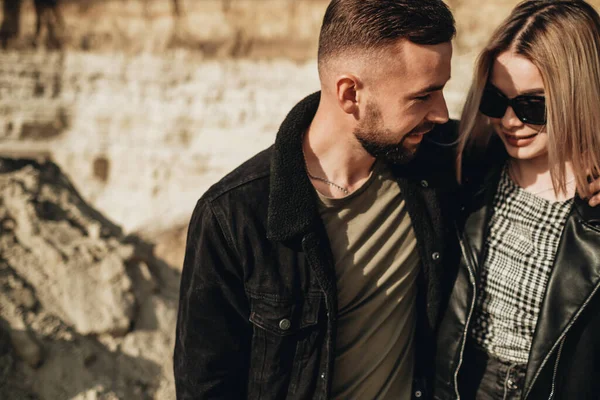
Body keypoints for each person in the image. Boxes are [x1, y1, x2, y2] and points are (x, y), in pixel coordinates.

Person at [174, 0, 460, 399]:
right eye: (422, 96)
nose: (442, 113)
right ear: (349, 94)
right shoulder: (233, 215)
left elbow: (528, 139)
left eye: (442, 90)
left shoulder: (439, 161)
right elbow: (206, 386)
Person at [434, 1, 600, 399]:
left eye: (532, 106)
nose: (509, 121)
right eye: (495, 100)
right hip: (460, 384)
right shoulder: (465, 165)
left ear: (578, 95)